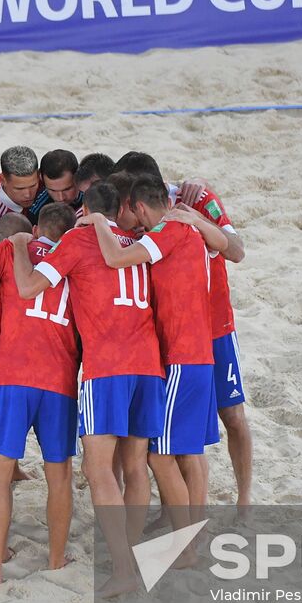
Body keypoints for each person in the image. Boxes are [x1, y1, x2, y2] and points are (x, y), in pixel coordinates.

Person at [11, 182, 163, 597]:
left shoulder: (78, 239)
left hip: (107, 367)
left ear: (85, 210)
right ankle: (129, 558)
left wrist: (21, 246)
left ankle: (122, 569)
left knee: (98, 469)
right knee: (135, 465)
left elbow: (28, 288)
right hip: (148, 364)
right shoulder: (139, 239)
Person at [0, 203, 81, 585]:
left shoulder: (10, 250)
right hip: (60, 381)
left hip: (13, 377)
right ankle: (56, 560)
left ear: (36, 229)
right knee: (60, 476)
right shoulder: (78, 254)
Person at [84, 176, 223, 525]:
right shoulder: (189, 230)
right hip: (197, 355)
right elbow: (226, 244)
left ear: (139, 207)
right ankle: (191, 535)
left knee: (161, 457)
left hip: (180, 357)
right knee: (187, 452)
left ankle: (187, 542)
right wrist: (201, 220)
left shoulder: (168, 231)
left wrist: (100, 221)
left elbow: (116, 258)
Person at [0, 146, 50, 222]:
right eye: (19, 189)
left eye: (33, 186)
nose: (28, 195)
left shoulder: (46, 180)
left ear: (39, 174)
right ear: (3, 180)